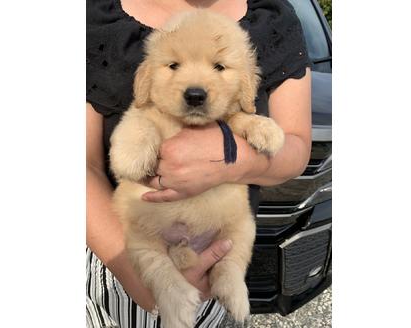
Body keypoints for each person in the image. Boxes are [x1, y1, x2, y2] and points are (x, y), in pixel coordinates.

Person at [86, 0, 312, 327]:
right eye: (174, 65)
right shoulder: (94, 16)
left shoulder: (274, 16)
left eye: (219, 67)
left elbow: (293, 146)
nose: (196, 87)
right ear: (146, 76)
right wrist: (143, 277)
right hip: (119, 267)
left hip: (215, 263)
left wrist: (233, 156)